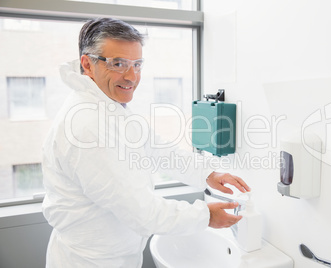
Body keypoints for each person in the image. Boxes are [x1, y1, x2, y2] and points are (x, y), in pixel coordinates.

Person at [42, 17, 250, 267]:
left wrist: (207, 172)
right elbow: (140, 211)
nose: (132, 77)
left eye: (137, 64)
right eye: (118, 63)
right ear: (88, 64)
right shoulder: (88, 124)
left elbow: (155, 147)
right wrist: (205, 215)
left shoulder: (108, 107)